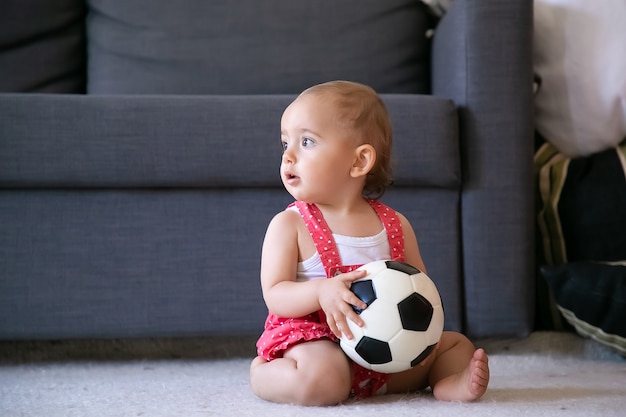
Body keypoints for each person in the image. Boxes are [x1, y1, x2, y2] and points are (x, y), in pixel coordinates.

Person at [249, 80, 489, 406]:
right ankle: (263, 373)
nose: (288, 155)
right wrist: (321, 291)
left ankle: (448, 382)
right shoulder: (290, 224)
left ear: (359, 161)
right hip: (317, 342)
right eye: (284, 143)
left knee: (456, 345)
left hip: (383, 347)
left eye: (306, 142)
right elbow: (275, 294)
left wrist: (421, 337)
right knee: (325, 378)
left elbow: (420, 292)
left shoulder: (395, 224)